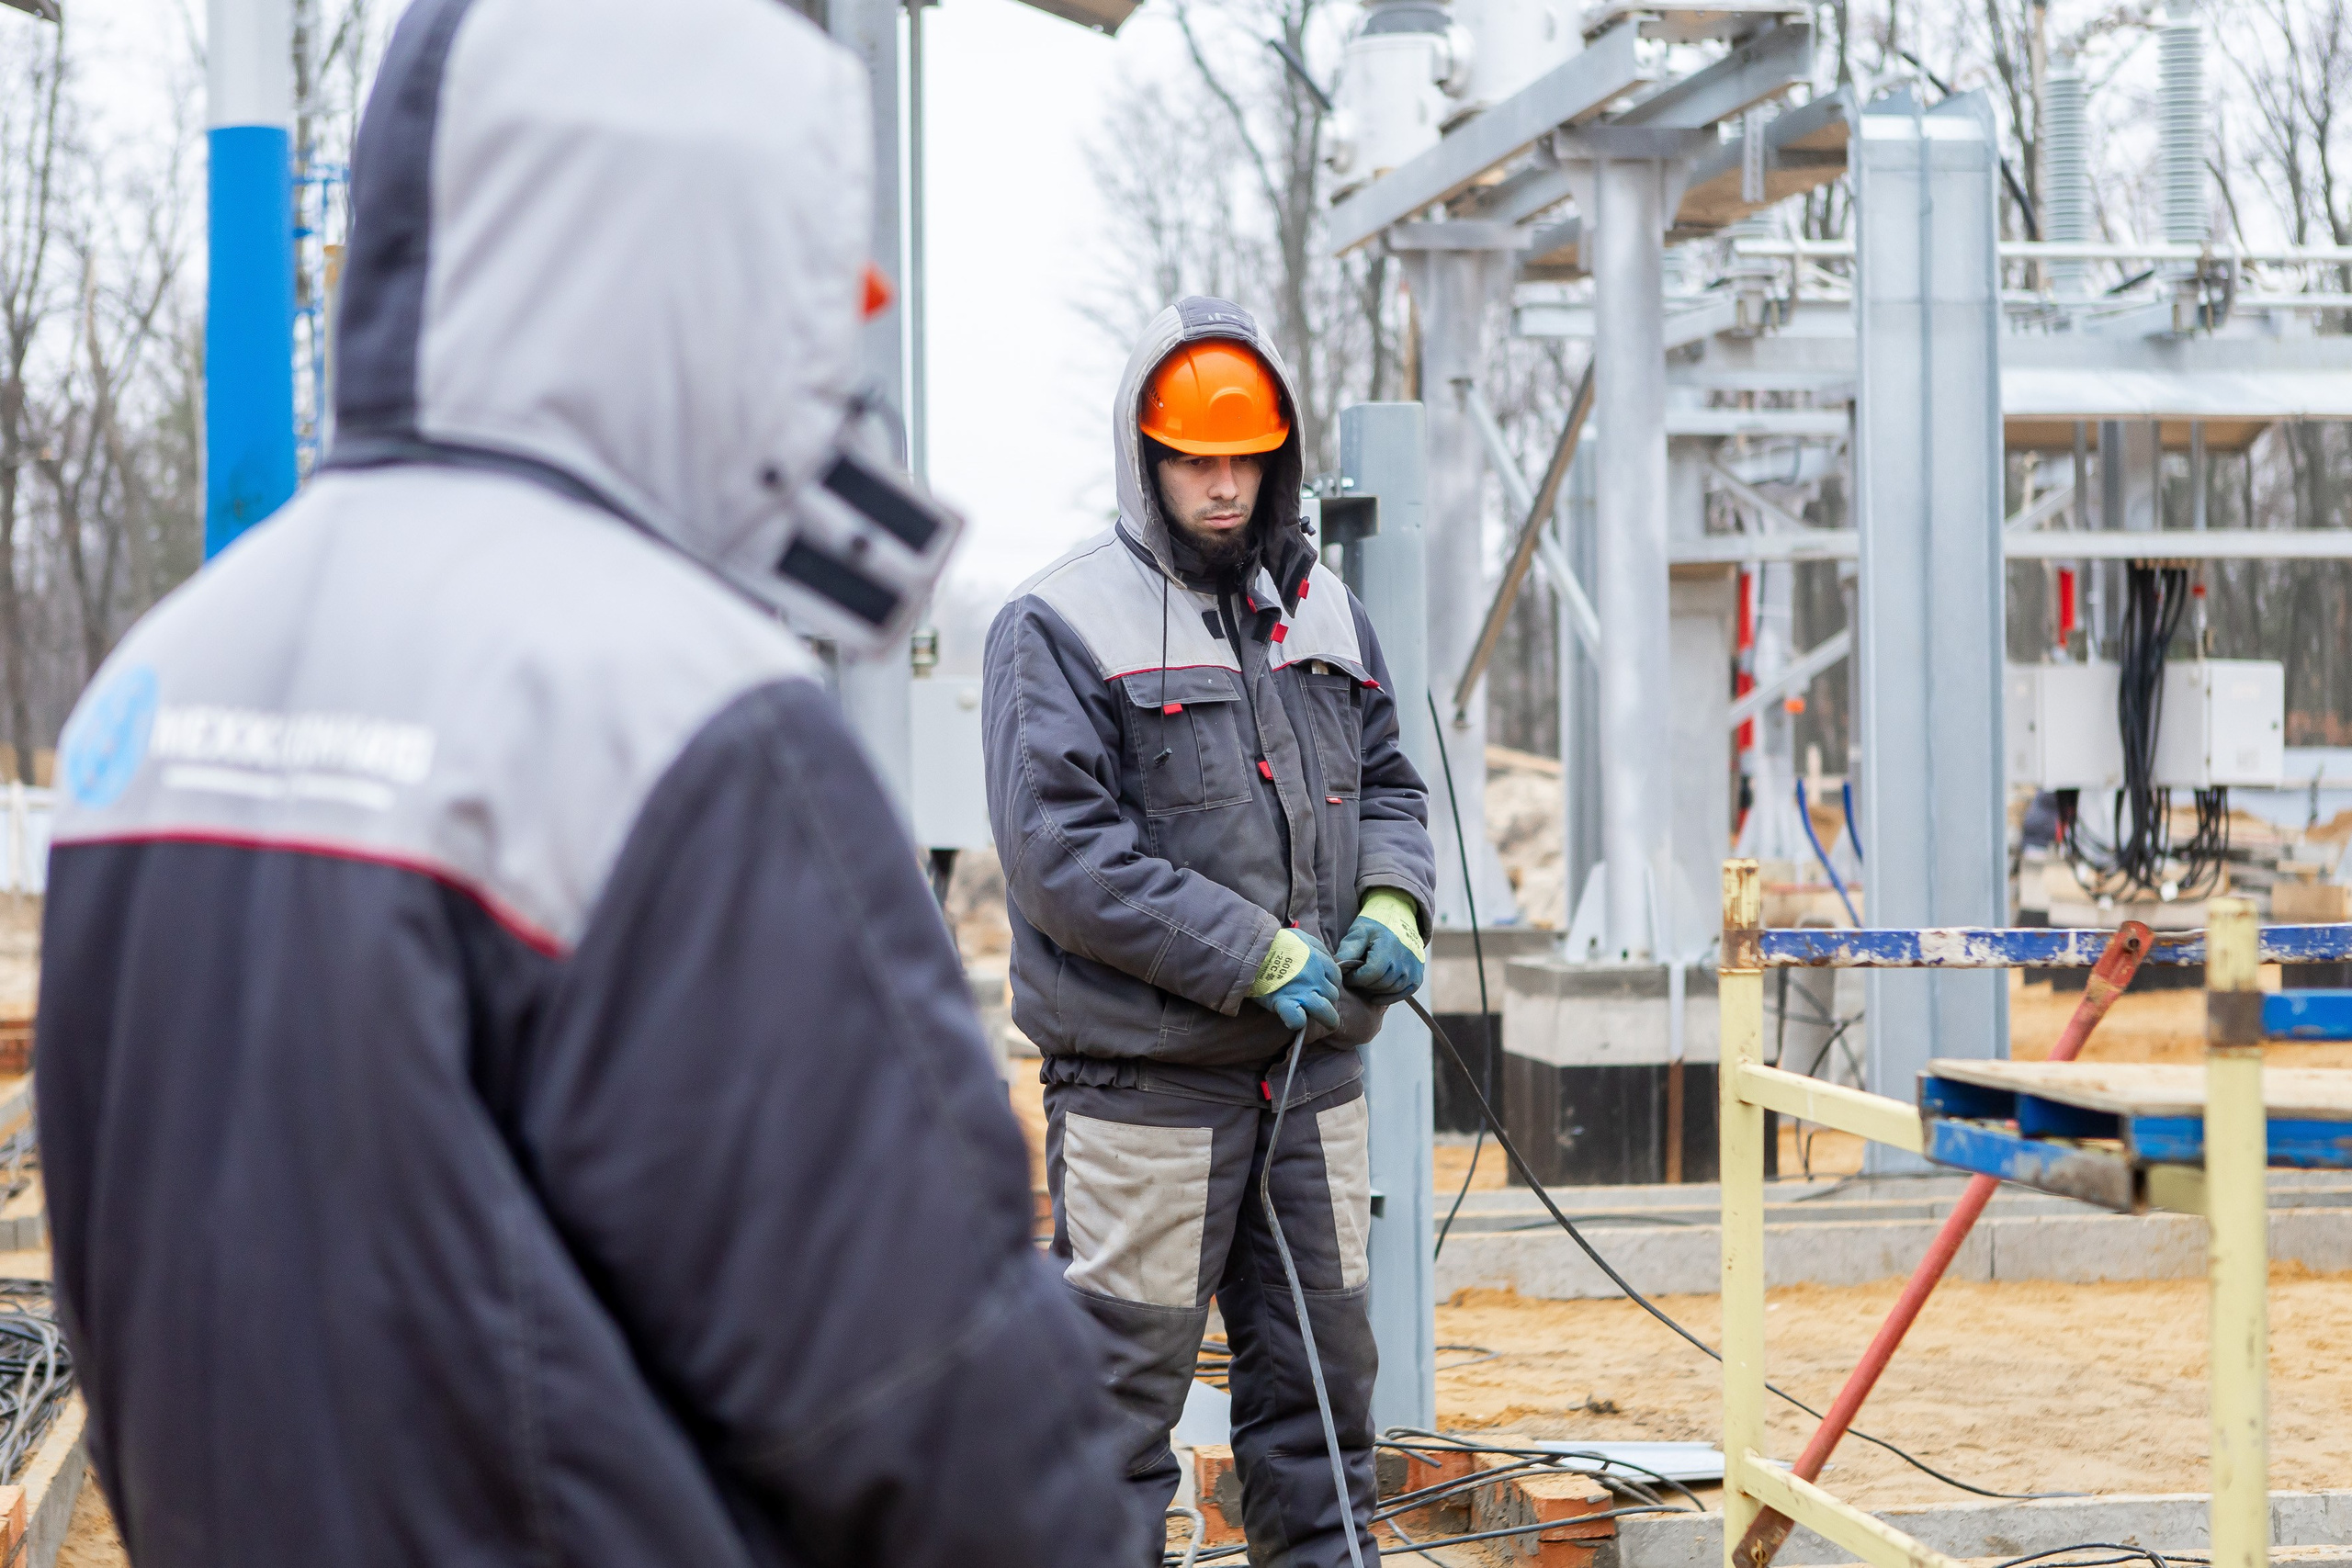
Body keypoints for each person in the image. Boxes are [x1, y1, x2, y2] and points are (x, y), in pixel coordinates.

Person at [35, 2, 1141, 1563]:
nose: (849, 323)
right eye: (819, 280)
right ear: (708, 267)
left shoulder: (152, 690)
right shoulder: (671, 718)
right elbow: (936, 1418)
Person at [981, 296, 1438, 1567]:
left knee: (1324, 1412)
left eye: (1244, 460)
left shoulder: (1328, 614)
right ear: (1149, 458)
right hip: (1148, 1099)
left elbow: (1392, 783)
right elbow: (1062, 856)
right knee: (1114, 1422)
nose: (1224, 488)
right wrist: (1254, 953)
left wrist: (1394, 895)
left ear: (1281, 455)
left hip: (1311, 1081)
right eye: (1196, 461)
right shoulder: (1059, 625)